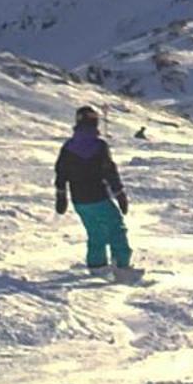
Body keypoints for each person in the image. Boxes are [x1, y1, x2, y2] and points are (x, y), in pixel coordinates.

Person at [54, 106, 132, 271]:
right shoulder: (99, 146)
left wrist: (61, 195)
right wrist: (119, 194)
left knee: (95, 232)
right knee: (115, 228)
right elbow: (109, 171)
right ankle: (122, 265)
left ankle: (97, 265)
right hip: (98, 197)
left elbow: (61, 172)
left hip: (79, 200)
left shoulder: (68, 147)